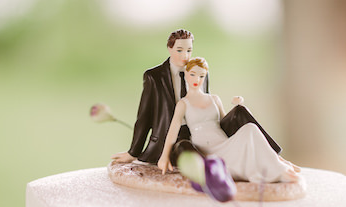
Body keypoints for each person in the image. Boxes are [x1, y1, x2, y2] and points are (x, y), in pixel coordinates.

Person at [112, 30, 282, 168]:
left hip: (204, 131)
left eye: (188, 50)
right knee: (188, 153)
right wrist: (133, 152)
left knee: (240, 112)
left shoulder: (198, 71)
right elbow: (144, 116)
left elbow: (206, 104)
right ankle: (213, 169)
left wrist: (235, 106)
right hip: (174, 138)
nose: (184, 55)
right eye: (179, 50)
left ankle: (273, 155)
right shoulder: (154, 77)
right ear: (170, 48)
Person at [158, 57, 299, 183]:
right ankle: (276, 166)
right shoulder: (184, 103)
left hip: (223, 141)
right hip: (206, 148)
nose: (196, 79)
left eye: (201, 76)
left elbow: (227, 123)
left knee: (251, 128)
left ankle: (277, 164)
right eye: (193, 74)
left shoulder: (214, 99)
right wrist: (164, 156)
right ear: (186, 74)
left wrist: (237, 106)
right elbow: (173, 130)